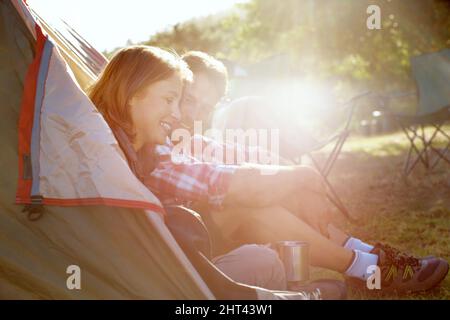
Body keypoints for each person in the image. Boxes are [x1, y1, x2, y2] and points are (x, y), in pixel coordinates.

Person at [142, 50, 448, 294]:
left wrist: (302, 178)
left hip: (196, 241)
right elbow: (243, 185)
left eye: (205, 107)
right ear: (173, 90)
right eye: (188, 100)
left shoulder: (190, 141)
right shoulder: (153, 146)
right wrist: (301, 177)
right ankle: (369, 269)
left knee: (271, 184)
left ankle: (368, 254)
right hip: (173, 256)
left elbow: (257, 158)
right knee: (250, 203)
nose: (194, 113)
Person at [88, 45, 347, 299]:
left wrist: (298, 174)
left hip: (178, 261)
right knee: (249, 209)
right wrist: (301, 175)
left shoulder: (149, 144)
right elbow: (227, 182)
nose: (181, 113)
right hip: (159, 280)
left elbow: (237, 156)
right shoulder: (115, 153)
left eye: (203, 107)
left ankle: (348, 266)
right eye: (173, 100)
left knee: (264, 255)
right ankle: (313, 288)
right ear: (132, 92)